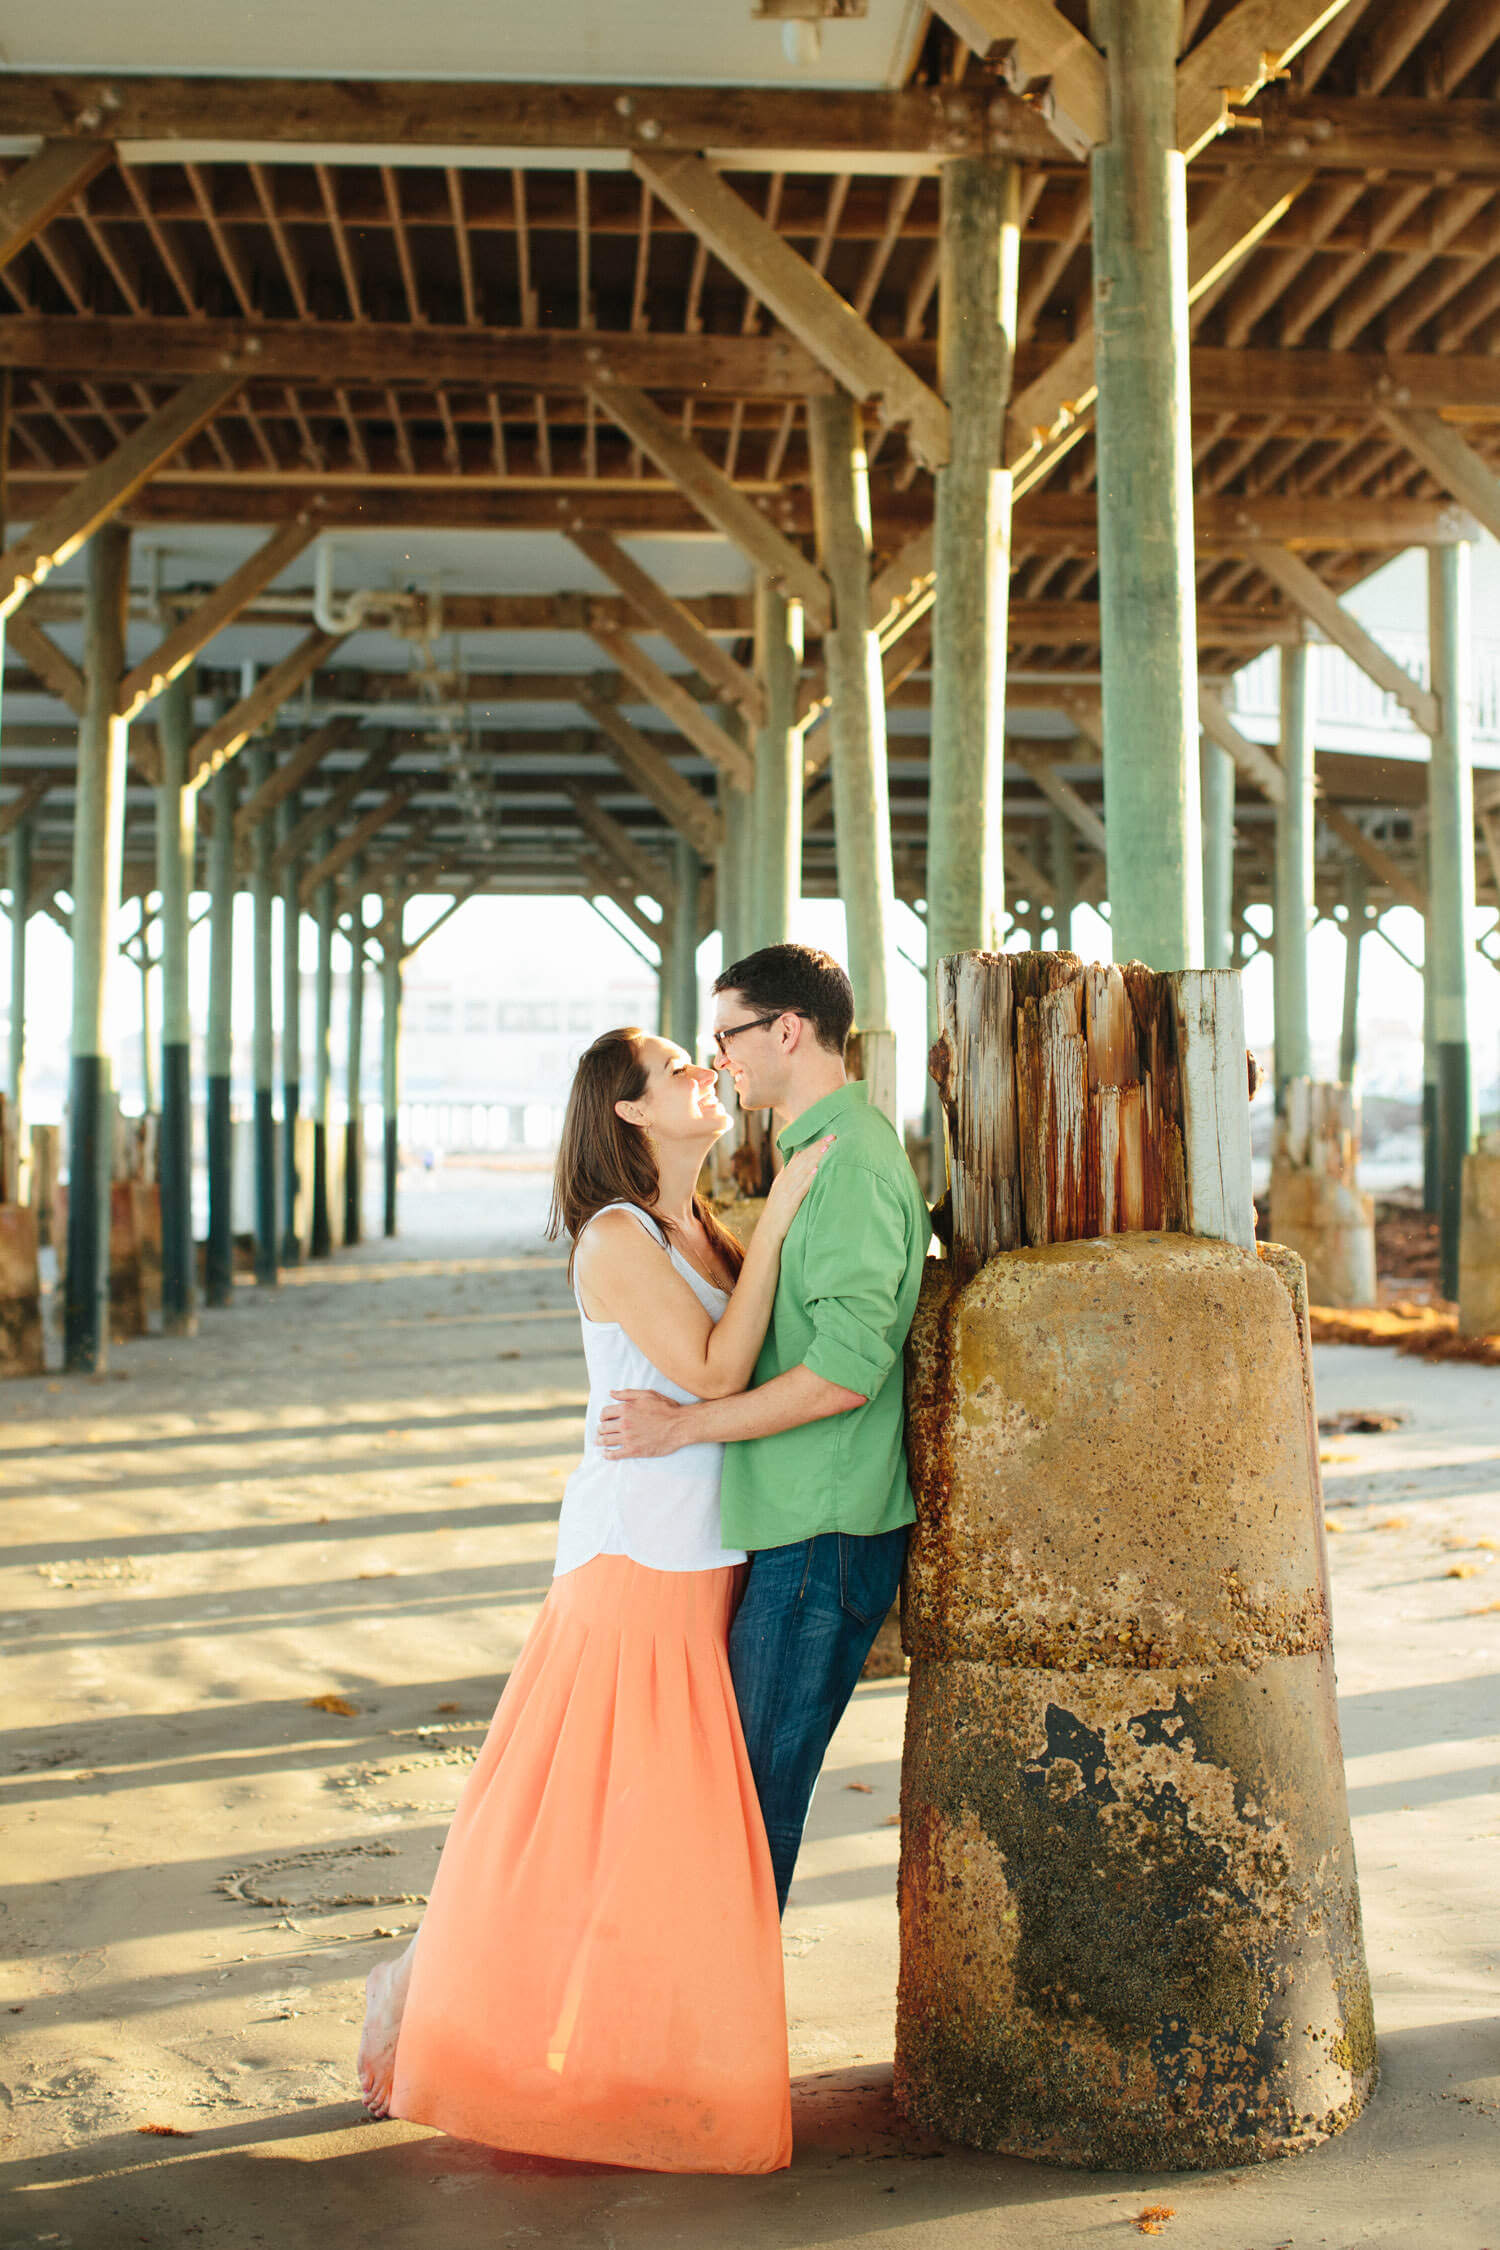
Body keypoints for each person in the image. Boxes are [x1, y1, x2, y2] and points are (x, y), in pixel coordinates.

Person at [356, 1025, 832, 2174]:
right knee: (569, 1818)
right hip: (632, 1562)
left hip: (704, 1553)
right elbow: (716, 1371)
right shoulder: (617, 1239)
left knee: (649, 1830)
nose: (703, 1076)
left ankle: (625, 2042)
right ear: (627, 1112)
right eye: (677, 1070)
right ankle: (427, 2007)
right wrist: (780, 1221)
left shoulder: (701, 1227)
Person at [599, 945, 930, 1914]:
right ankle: (709, 2043)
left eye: (728, 1037)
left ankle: (711, 2056)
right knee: (737, 1809)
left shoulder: (849, 1166)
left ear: (788, 1030)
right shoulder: (810, 1157)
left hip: (822, 1531)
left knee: (746, 1816)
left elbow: (839, 1376)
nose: (719, 1061)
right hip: (796, 1522)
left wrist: (688, 1425)